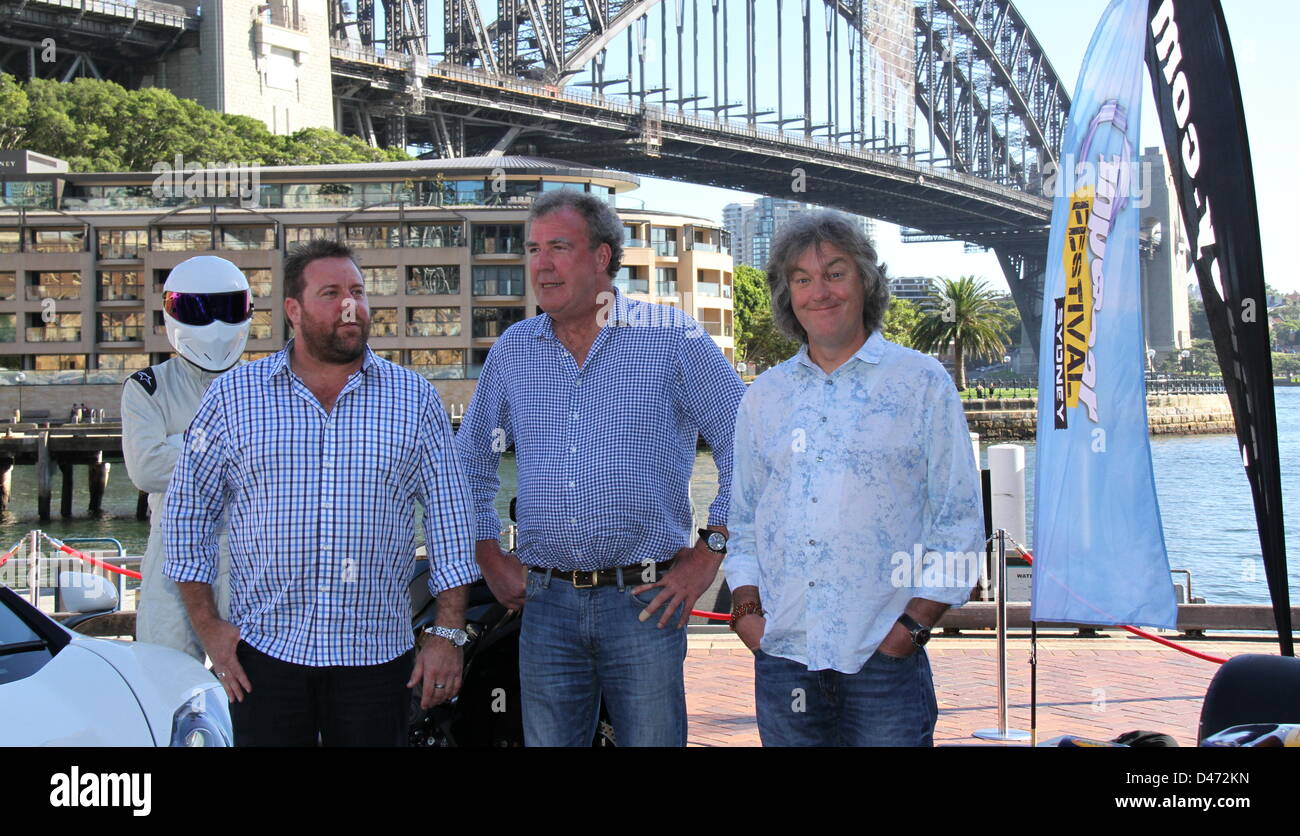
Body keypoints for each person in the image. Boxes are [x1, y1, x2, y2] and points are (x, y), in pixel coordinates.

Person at [456, 190, 746, 747]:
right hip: (544, 606)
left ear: (602, 257)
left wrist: (709, 553)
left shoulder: (673, 340)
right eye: (534, 249)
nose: (541, 264)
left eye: (559, 247)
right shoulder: (514, 350)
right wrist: (488, 552)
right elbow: (471, 462)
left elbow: (747, 447)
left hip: (645, 603)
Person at [163, 239, 478, 746]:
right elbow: (186, 517)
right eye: (331, 293)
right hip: (264, 658)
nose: (350, 305)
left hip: (377, 661)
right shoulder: (233, 398)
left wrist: (447, 634)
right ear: (294, 309)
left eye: (357, 291)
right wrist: (209, 629)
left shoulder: (414, 400)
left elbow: (451, 521)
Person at [725, 211, 984, 747]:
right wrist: (747, 613)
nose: (819, 291)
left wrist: (908, 632)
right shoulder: (763, 397)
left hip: (882, 659)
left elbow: (958, 521)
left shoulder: (922, 384)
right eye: (802, 278)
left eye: (835, 272)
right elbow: (744, 519)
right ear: (787, 295)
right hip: (784, 657)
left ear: (866, 281)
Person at [122, 255, 248, 661]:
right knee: (166, 671)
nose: (213, 323)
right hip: (172, 546)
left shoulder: (263, 385)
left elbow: (284, 466)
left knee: (256, 677)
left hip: (250, 544)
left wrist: (182, 443)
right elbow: (145, 468)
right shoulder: (148, 387)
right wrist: (236, 451)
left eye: (225, 309)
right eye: (197, 309)